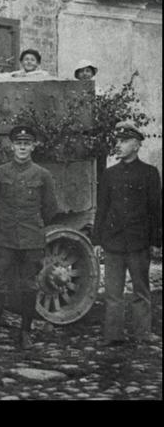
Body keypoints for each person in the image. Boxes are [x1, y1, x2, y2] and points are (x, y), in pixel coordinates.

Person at [0, 125, 59, 350]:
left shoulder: (43, 175)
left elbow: (50, 208)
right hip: (5, 238)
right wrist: (3, 221)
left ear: (33, 146)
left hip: (31, 237)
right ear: (12, 146)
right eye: (19, 143)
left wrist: (33, 224)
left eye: (27, 143)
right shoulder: (0, 173)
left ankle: (25, 333)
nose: (22, 147)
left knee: (29, 285)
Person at [94, 121, 162, 346]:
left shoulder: (150, 174)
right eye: (118, 141)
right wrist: (97, 240)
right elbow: (101, 208)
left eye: (124, 141)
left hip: (138, 241)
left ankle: (142, 333)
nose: (119, 145)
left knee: (141, 290)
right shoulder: (109, 174)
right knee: (113, 292)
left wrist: (155, 241)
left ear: (137, 145)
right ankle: (113, 334)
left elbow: (155, 210)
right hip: (113, 241)